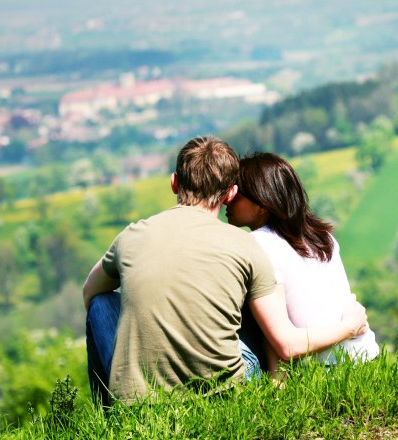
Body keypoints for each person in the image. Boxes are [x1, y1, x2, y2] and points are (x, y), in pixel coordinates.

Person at [83, 136, 368, 405]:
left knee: (101, 304)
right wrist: (348, 327)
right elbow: (283, 341)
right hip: (223, 391)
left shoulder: (131, 236)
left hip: (141, 399)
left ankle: (112, 414)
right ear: (230, 192)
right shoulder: (247, 244)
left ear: (174, 183)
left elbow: (90, 293)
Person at [226, 152, 380, 376]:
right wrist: (349, 327)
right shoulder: (323, 238)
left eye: (237, 193)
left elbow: (286, 344)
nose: (226, 199)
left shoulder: (259, 243)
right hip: (364, 356)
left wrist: (278, 382)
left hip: (324, 369)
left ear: (262, 203)